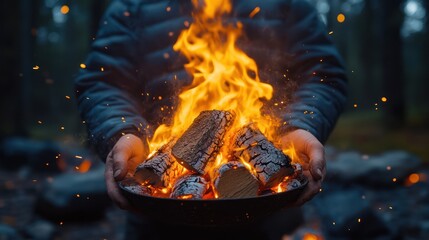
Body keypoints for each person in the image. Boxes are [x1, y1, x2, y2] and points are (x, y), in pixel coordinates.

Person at [75, 0, 347, 239]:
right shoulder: (133, 6)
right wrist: (122, 132)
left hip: (263, 209)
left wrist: (298, 126)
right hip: (157, 211)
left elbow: (322, 75)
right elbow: (103, 82)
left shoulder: (287, 4)